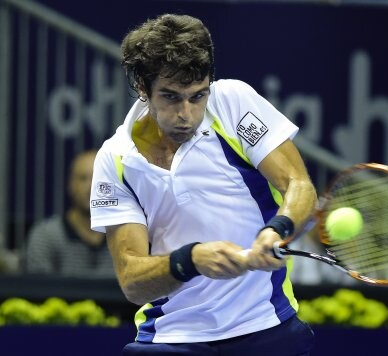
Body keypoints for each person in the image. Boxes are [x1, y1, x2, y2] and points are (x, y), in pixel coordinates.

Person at [89, 14, 317, 355]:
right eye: (171, 97)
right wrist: (190, 260)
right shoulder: (115, 159)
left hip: (268, 328)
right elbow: (132, 282)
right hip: (171, 339)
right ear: (141, 87)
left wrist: (278, 227)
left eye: (197, 96)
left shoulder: (233, 102)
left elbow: (298, 185)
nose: (186, 114)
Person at [26, 150, 114, 277]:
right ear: (70, 185)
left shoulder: (127, 238)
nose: (91, 186)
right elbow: (38, 291)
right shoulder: (46, 236)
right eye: (83, 178)